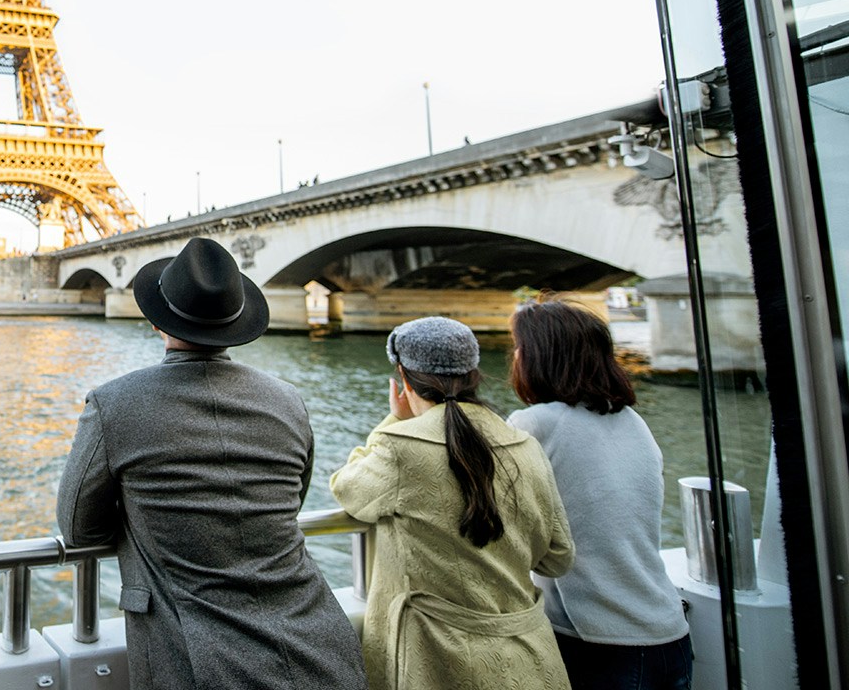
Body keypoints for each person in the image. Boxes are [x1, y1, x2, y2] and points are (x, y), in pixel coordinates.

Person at [57, 237, 366, 690]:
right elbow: (290, 502)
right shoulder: (287, 400)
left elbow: (79, 529)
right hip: (320, 644)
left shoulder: (114, 404)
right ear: (235, 323)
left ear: (158, 321)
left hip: (194, 659)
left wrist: (148, 513)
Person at [330, 316, 573, 690]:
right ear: (474, 375)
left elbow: (348, 488)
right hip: (530, 658)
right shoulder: (525, 444)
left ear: (404, 379)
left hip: (434, 661)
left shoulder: (401, 447)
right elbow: (557, 556)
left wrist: (393, 420)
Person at [507, 299, 692, 690]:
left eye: (518, 347)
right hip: (668, 630)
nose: (515, 357)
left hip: (596, 641)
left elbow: (500, 514)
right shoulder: (631, 421)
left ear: (538, 356)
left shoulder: (536, 424)